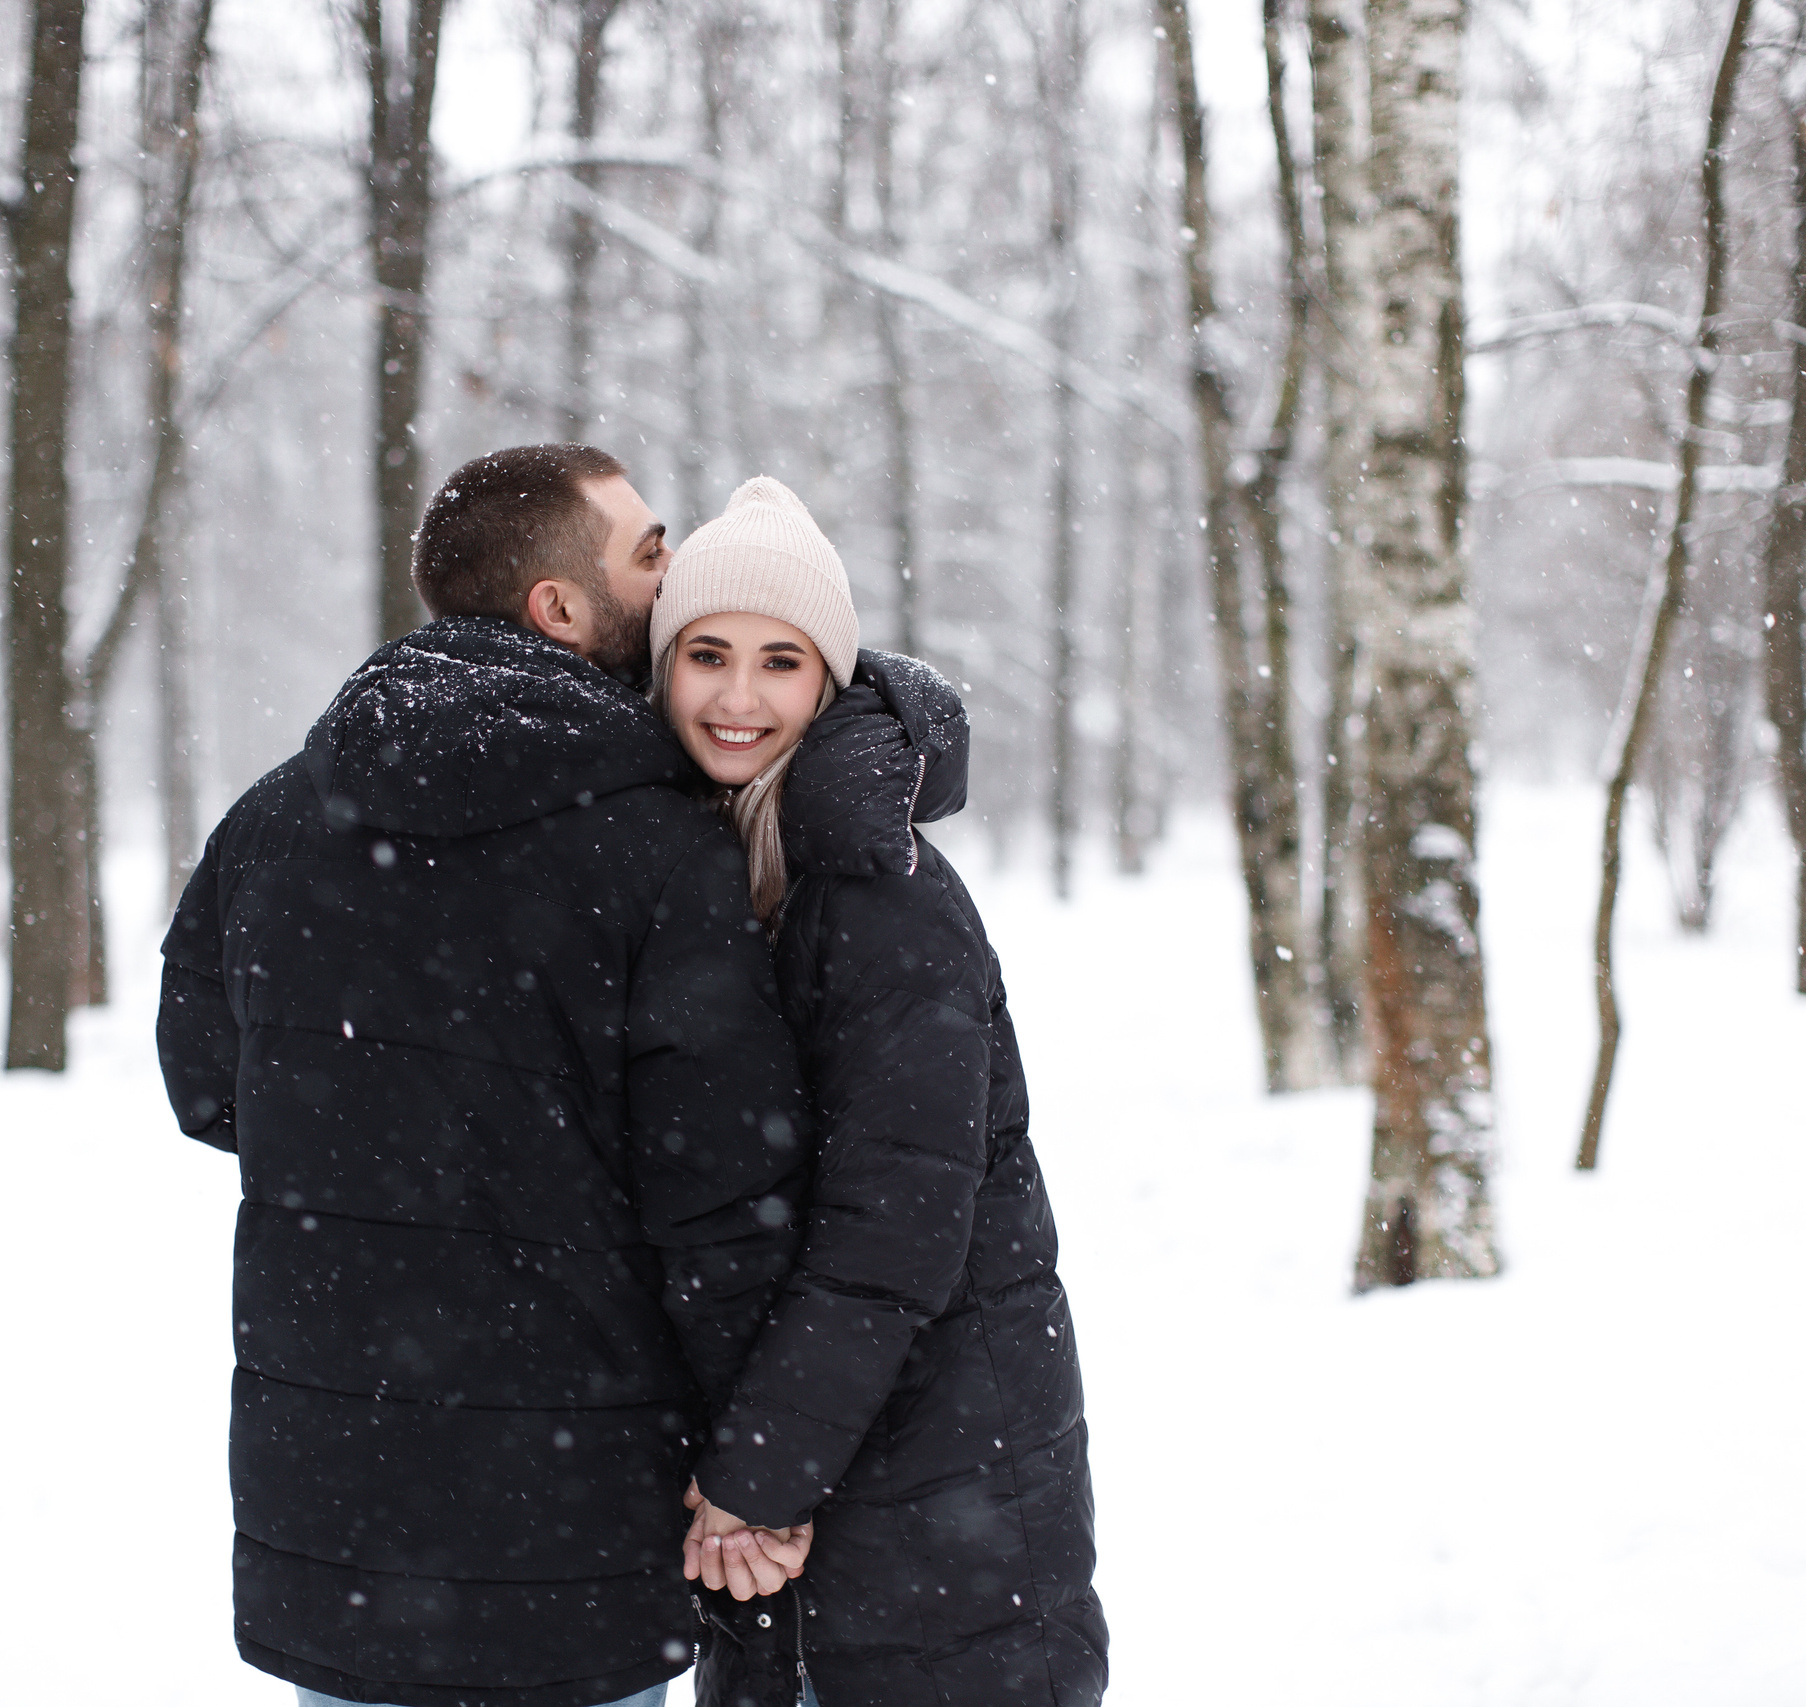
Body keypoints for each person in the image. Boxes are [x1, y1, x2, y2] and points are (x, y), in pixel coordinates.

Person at [156, 445, 813, 1707]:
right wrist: (764, 1467)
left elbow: (209, 1089)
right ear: (556, 609)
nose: (672, 573)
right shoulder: (660, 845)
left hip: (343, 1502)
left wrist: (391, 1158)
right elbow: (724, 1192)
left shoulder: (276, 820)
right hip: (569, 1511)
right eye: (648, 549)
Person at [658, 479, 1106, 1707]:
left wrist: (760, 1475)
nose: (738, 698)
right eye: (706, 655)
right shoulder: (721, 867)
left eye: (779, 662)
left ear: (828, 682)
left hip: (938, 1483)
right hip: (838, 1480)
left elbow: (894, 1224)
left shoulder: (875, 894)